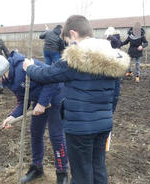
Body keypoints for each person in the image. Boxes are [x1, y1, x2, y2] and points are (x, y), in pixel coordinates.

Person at [23, 15, 130, 184]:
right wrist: (106, 116)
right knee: (98, 168)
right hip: (103, 125)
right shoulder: (113, 58)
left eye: (67, 40)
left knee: (81, 174)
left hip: (79, 128)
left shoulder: (75, 58)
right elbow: (116, 93)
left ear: (73, 34)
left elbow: (47, 75)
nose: (68, 44)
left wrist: (29, 68)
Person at [0, 51, 68, 184]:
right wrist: (12, 116)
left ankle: (62, 173)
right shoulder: (10, 80)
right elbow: (23, 100)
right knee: (35, 132)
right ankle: (37, 167)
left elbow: (53, 80)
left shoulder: (25, 67)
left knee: (56, 135)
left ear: (4, 71)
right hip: (39, 101)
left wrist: (42, 103)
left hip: (56, 96)